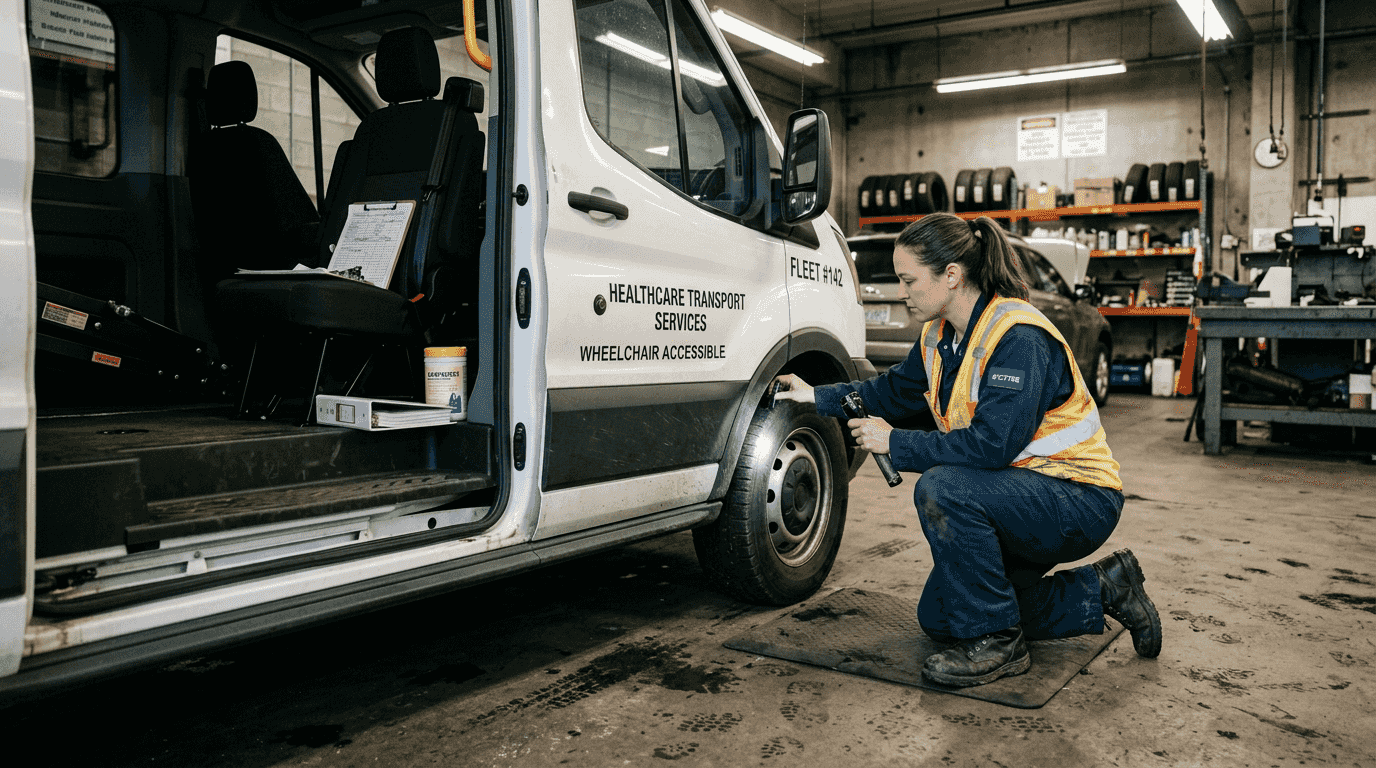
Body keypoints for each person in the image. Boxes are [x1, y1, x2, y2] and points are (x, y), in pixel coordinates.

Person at [775, 213, 1161, 688]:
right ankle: (1104, 588)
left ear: (952, 276)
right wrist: (816, 395)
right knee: (943, 617)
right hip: (1015, 496)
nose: (901, 292)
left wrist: (894, 441)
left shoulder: (1018, 338)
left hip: (1077, 498)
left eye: (909, 280)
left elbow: (991, 446)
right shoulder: (940, 335)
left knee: (943, 488)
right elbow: (890, 393)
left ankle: (999, 643)